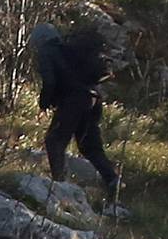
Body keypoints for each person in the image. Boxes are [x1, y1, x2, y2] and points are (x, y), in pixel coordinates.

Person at [32, 13, 121, 205]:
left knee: (54, 141)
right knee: (89, 145)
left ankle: (58, 187)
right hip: (94, 98)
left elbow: (50, 81)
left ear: (39, 40)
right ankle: (113, 180)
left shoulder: (47, 51)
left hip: (74, 101)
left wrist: (43, 104)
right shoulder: (69, 49)